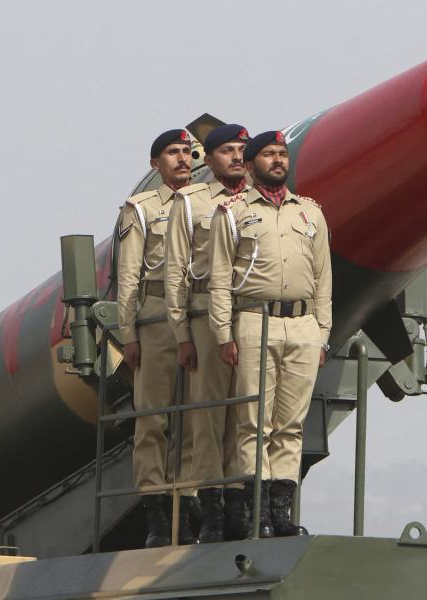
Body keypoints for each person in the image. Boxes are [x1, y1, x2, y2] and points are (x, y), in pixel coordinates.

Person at [207, 130, 332, 538]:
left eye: (282, 154)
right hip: (253, 322)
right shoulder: (233, 211)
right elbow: (221, 279)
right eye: (269, 154)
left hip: (301, 325)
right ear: (251, 163)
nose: (278, 160)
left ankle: (281, 516)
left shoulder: (309, 213)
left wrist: (322, 334)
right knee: (252, 422)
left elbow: (322, 279)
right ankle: (254, 513)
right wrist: (224, 333)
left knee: (290, 424)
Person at [163, 124, 252, 543]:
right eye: (227, 150)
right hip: (204, 319)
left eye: (241, 150)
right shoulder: (191, 202)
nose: (236, 156)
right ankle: (212, 511)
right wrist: (181, 332)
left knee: (246, 417)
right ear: (211, 158)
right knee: (208, 417)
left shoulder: (260, 203)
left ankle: (239, 507)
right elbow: (176, 269)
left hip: (251, 319)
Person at [116, 128, 196, 547]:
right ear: (155, 164)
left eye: (187, 152)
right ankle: (157, 515)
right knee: (154, 420)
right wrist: (128, 333)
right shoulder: (142, 209)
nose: (182, 159)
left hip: (198, 321)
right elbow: (129, 276)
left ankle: (189, 507)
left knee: (194, 419)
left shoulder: (207, 204)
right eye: (172, 152)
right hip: (157, 321)